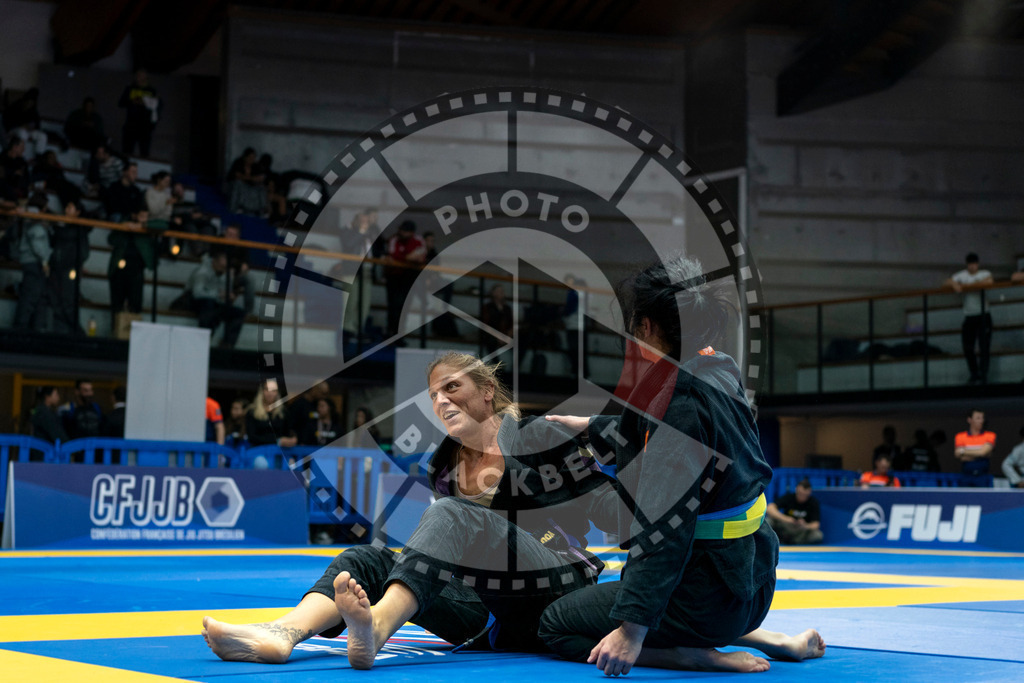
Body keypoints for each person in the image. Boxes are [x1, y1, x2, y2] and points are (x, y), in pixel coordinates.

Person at [203, 351, 619, 668]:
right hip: (482, 610)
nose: (441, 401)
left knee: (453, 514)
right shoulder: (443, 465)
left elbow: (603, 501)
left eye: (452, 388)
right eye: (434, 396)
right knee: (365, 559)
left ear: (487, 392)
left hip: (553, 583)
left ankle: (378, 625)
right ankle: (283, 634)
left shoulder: (538, 435)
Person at [539, 255, 825, 675]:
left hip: (707, 602)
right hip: (752, 587)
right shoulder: (717, 368)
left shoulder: (680, 404)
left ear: (647, 327)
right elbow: (669, 435)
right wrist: (588, 427)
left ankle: (684, 654)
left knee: (554, 624)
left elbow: (665, 532)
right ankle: (773, 639)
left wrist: (631, 632)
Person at [945, 253, 994, 384]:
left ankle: (983, 374)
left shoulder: (984, 273)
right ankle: (974, 373)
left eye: (974, 264)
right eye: (970, 264)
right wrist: (954, 284)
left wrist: (970, 285)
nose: (972, 266)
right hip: (969, 316)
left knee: (984, 347)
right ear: (967, 265)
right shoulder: (962, 275)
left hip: (983, 315)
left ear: (978, 264)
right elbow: (947, 281)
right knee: (968, 347)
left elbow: (989, 280)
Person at [189, 250, 246, 349]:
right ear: (214, 262)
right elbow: (197, 293)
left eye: (225, 267)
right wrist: (219, 295)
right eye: (221, 266)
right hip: (196, 302)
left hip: (216, 303)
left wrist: (229, 296)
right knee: (209, 305)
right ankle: (203, 342)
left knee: (238, 313)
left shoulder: (226, 273)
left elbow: (225, 296)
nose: (223, 270)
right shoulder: (202, 272)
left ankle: (227, 344)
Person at [13, 193, 53, 332]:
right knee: (30, 298)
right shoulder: (34, 218)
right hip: (33, 262)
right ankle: (21, 330)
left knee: (33, 297)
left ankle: (30, 329)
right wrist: (45, 261)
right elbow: (38, 243)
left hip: (29, 261)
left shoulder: (28, 215)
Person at [384, 220, 426, 338]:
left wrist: (407, 258)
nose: (402, 232)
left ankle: (399, 333)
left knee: (404, 306)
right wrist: (408, 257)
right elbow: (393, 256)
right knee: (393, 304)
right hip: (393, 276)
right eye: (401, 230)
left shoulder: (418, 240)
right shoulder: (394, 239)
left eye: (405, 231)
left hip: (409, 278)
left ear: (411, 233)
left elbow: (421, 257)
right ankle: (390, 331)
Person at [766, 479, 823, 545]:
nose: (801, 497)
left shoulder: (813, 502)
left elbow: (816, 524)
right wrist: (786, 519)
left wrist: (805, 525)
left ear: (809, 492)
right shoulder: (789, 497)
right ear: (796, 490)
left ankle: (798, 543)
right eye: (800, 494)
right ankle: (776, 540)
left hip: (801, 531)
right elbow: (770, 508)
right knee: (769, 521)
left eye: (804, 495)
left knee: (817, 535)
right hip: (786, 527)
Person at [245, 380, 298, 449]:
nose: (270, 393)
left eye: (273, 390)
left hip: (280, 451)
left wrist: (292, 439)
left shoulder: (283, 412)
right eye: (267, 389)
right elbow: (252, 437)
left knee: (291, 460)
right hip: (258, 451)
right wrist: (277, 441)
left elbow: (288, 432)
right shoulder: (252, 411)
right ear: (262, 391)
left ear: (277, 393)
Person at [119, 69, 160, 157]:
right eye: (137, 75)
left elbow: (156, 107)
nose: (138, 77)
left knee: (144, 152)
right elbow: (121, 103)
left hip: (145, 127)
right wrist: (132, 101)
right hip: (131, 125)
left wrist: (145, 102)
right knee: (127, 151)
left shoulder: (151, 91)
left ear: (146, 77)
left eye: (141, 75)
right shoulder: (130, 88)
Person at [954, 408, 996, 486]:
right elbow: (957, 454)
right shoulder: (960, 436)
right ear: (969, 420)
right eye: (978, 418)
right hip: (966, 475)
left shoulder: (990, 435)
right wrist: (980, 453)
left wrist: (963, 451)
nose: (981, 421)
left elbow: (983, 452)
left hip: (983, 476)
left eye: (982, 418)